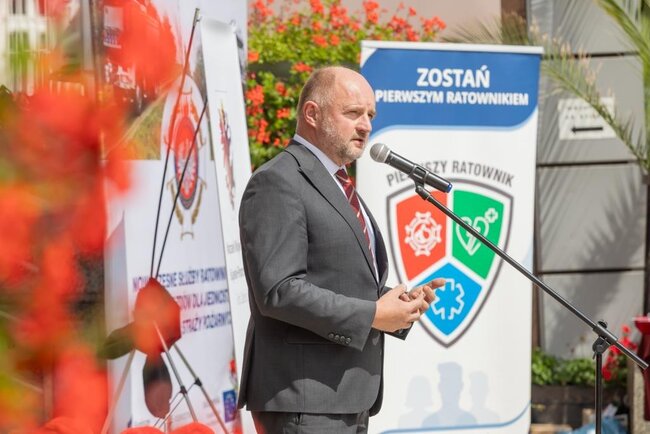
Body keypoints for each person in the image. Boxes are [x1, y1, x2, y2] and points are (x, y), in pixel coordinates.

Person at [237, 66, 444, 433]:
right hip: (304, 398)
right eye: (353, 113)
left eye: (371, 115)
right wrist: (372, 314)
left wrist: (396, 304)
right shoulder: (277, 182)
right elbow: (279, 291)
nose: (365, 125)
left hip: (347, 395)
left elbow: (336, 277)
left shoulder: (337, 183)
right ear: (312, 113)